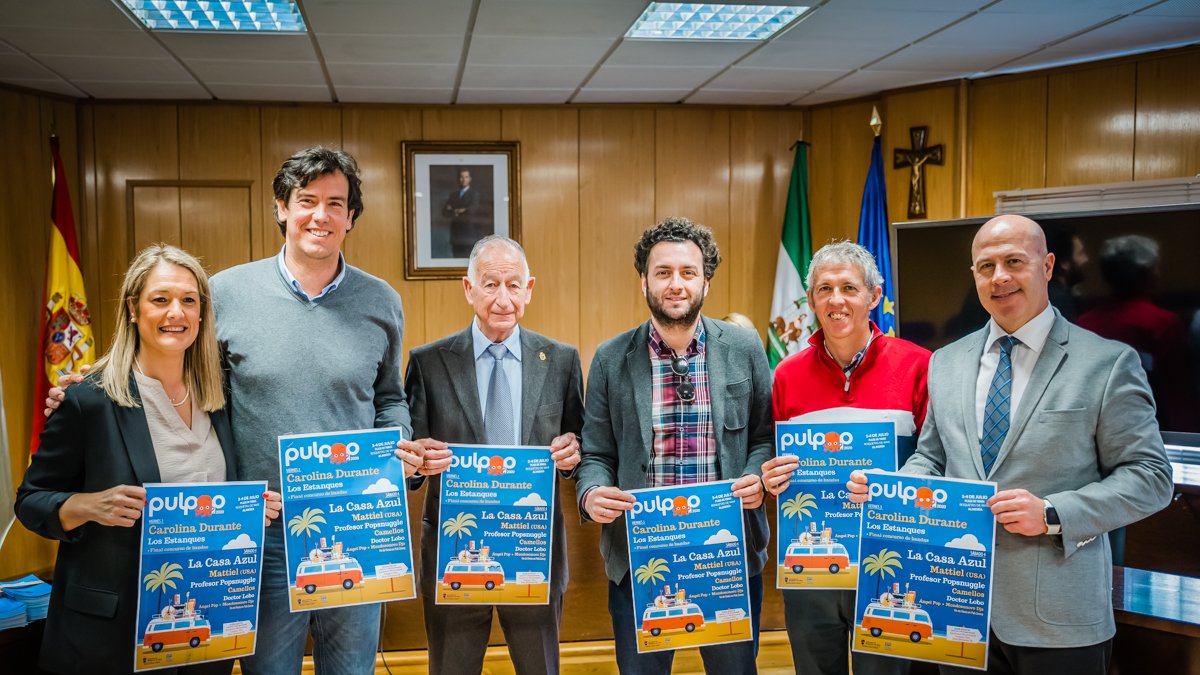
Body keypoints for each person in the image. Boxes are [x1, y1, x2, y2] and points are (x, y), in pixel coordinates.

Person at [847, 214, 1173, 675]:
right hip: (956, 612)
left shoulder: (1107, 363)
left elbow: (1152, 478)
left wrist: (1053, 513)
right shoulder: (946, 362)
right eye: (986, 266)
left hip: (1059, 618)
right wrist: (892, 490)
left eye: (1014, 261)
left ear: (1047, 266)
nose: (999, 277)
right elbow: (932, 457)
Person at [17, 244, 283, 675]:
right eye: (160, 299)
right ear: (133, 309)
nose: (176, 312)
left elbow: (213, 502)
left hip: (204, 625)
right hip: (111, 634)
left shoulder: (222, 399)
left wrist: (253, 510)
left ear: (202, 313)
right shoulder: (90, 399)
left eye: (188, 300)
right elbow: (31, 501)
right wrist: (86, 506)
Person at [577, 217, 773, 674]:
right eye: (663, 272)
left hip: (728, 554)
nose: (675, 284)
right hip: (640, 559)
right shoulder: (610, 357)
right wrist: (591, 494)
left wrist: (756, 476)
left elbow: (764, 436)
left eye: (688, 272)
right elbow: (597, 453)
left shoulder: (745, 348)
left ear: (706, 279)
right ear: (644, 279)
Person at [402, 235, 584, 674]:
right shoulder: (428, 363)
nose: (503, 298)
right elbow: (409, 461)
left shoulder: (560, 361)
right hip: (455, 554)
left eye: (513, 285)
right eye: (489, 285)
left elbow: (582, 442)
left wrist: (574, 453)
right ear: (469, 289)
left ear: (530, 288)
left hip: (532, 549)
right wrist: (417, 462)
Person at [760, 241, 929, 675]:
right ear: (811, 299)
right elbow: (771, 454)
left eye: (849, 288)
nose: (836, 300)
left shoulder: (918, 365)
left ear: (873, 296)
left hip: (887, 560)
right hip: (811, 572)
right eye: (824, 289)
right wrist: (771, 476)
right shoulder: (786, 374)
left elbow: (937, 457)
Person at [442, 168, 485, 257]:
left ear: (470, 179)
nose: (464, 179)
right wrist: (461, 209)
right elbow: (445, 212)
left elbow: (472, 210)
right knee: (456, 260)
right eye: (461, 177)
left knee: (468, 262)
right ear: (458, 179)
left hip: (469, 235)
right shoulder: (453, 195)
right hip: (455, 235)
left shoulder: (474, 194)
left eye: (466, 177)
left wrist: (454, 209)